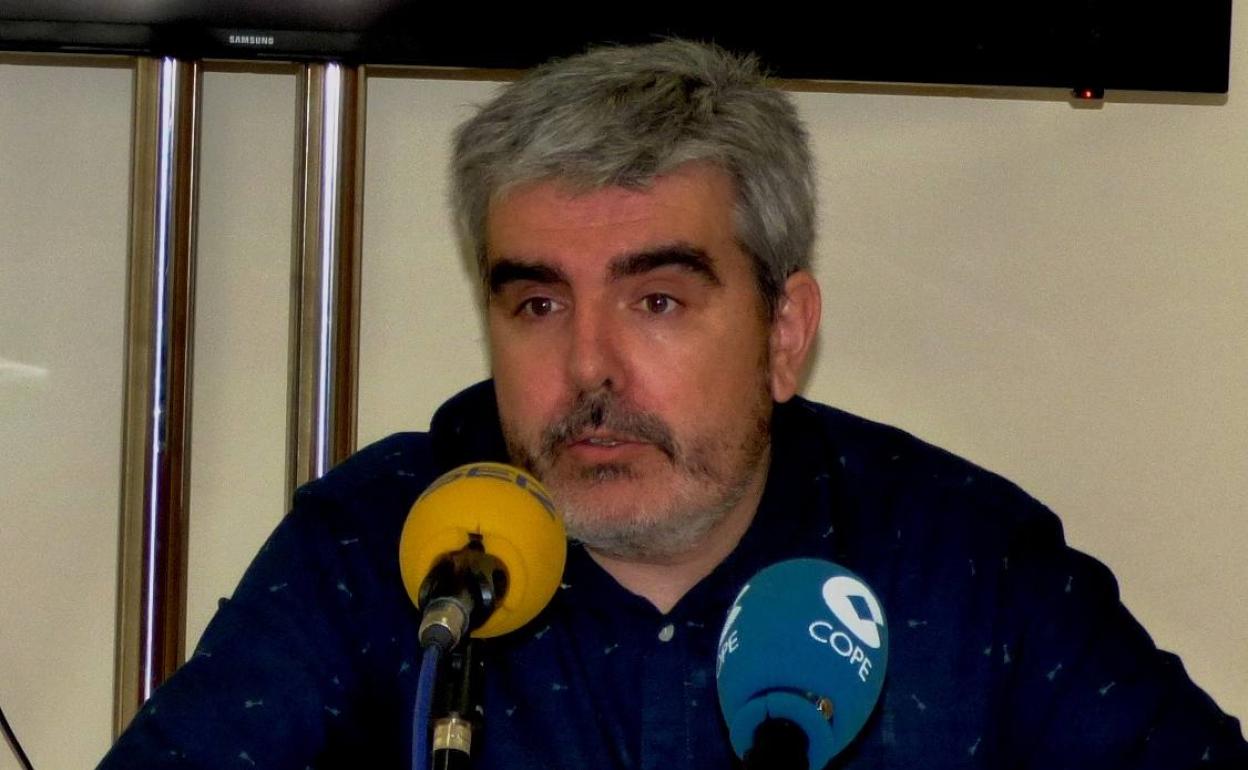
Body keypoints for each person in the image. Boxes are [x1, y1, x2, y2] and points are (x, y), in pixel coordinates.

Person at [99, 40, 1245, 769]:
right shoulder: (379, 553)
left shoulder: (965, 564)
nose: (588, 367)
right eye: (538, 304)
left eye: (655, 299)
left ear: (783, 331)